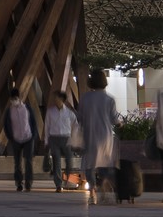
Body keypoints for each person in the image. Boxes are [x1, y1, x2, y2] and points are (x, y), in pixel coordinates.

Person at [78, 70, 120, 206]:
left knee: (90, 164)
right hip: (105, 136)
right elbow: (114, 119)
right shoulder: (109, 99)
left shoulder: (85, 98)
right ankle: (104, 184)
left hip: (89, 135)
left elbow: (80, 118)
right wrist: (121, 124)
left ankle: (92, 191)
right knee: (105, 163)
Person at [2, 86, 38, 192]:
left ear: (19, 98)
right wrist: (10, 137)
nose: (14, 101)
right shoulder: (9, 111)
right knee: (17, 163)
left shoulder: (27, 108)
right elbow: (6, 125)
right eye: (12, 99)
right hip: (16, 139)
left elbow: (33, 122)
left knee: (28, 161)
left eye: (15, 99)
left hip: (28, 138)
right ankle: (18, 183)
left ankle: (28, 183)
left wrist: (34, 135)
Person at [44, 91, 76, 192]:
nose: (55, 100)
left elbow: (76, 125)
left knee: (69, 160)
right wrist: (46, 141)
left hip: (66, 138)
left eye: (57, 98)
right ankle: (58, 184)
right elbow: (47, 126)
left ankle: (67, 177)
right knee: (56, 161)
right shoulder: (50, 111)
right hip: (54, 138)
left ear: (62, 99)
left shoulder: (69, 112)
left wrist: (74, 138)